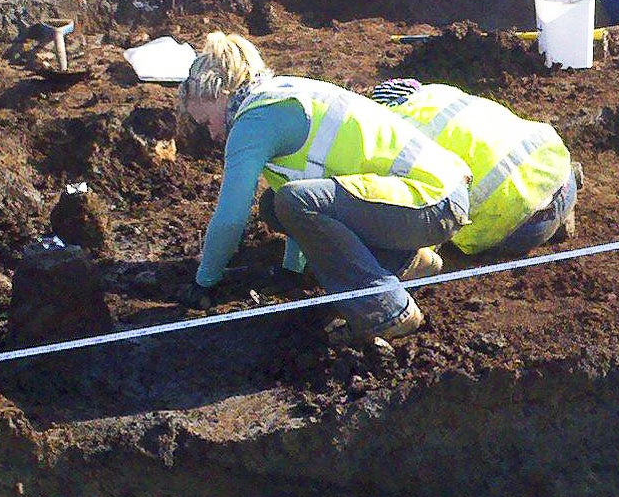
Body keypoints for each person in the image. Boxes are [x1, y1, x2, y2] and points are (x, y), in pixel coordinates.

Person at [180, 33, 469, 343]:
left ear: (219, 94)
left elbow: (231, 219)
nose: (210, 134)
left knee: (291, 202)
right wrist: (292, 270)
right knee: (276, 203)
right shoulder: (279, 95)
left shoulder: (253, 122)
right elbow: (298, 189)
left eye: (206, 121)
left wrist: (204, 281)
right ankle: (410, 262)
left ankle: (387, 311)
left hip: (430, 203)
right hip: (432, 198)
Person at [370, 79, 577, 258]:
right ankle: (559, 206)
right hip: (563, 179)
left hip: (521, 231)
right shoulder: (441, 93)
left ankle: (544, 220)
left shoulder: (395, 137)